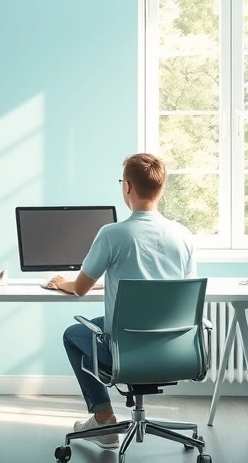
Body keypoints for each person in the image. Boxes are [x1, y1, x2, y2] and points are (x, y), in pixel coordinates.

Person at [43, 152, 196, 449]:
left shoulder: (113, 234)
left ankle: (104, 420)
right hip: (174, 351)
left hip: (124, 352)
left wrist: (63, 283)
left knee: (74, 334)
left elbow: (81, 288)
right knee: (96, 333)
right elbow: (183, 290)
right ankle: (104, 421)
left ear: (127, 186)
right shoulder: (183, 235)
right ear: (161, 188)